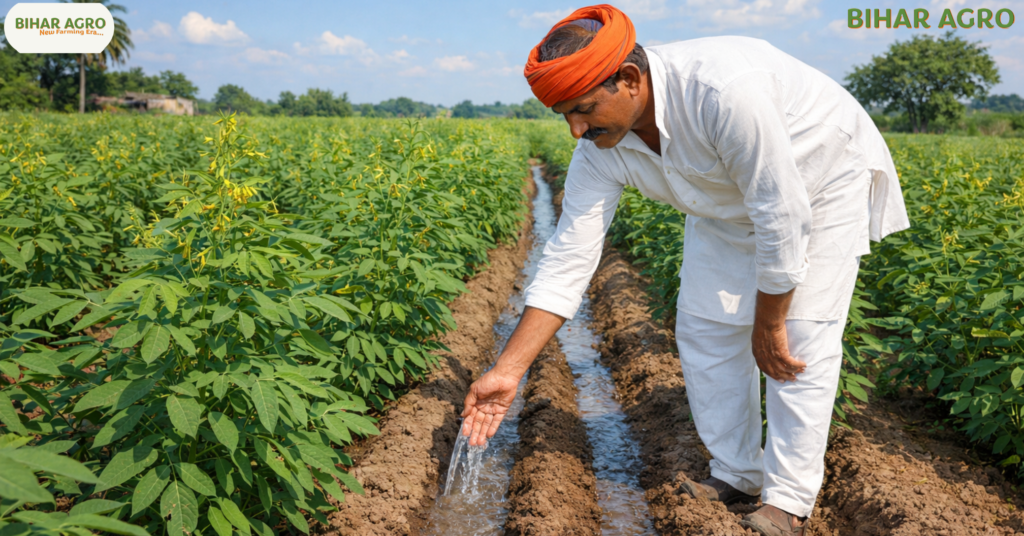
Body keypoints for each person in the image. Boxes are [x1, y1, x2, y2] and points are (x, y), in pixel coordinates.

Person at [460, 4, 908, 535]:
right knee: (705, 328)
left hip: (818, 182)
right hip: (726, 203)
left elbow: (781, 213)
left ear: (630, 79)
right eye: (565, 115)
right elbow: (568, 257)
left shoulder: (723, 93)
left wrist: (768, 323)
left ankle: (787, 500)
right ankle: (737, 473)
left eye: (583, 109)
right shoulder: (599, 149)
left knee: (797, 342)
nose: (576, 129)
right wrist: (508, 371)